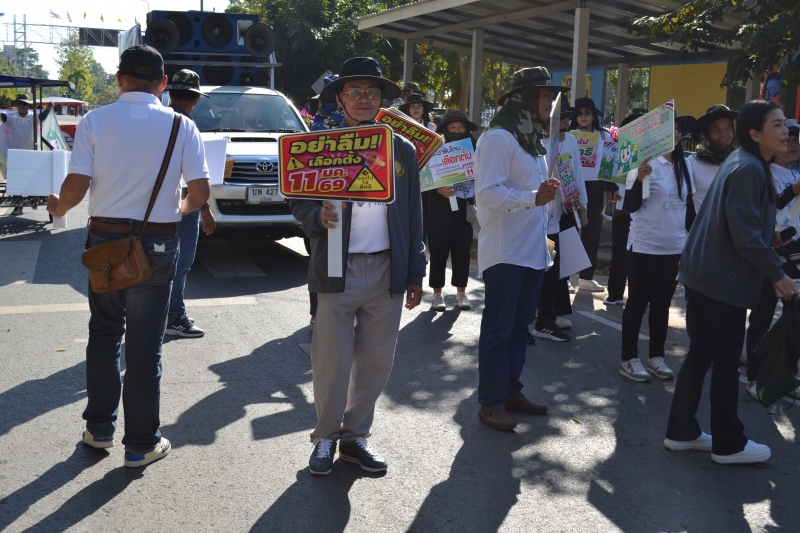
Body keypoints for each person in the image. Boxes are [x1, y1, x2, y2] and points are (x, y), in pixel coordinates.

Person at [45, 45, 210, 467]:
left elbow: (77, 185)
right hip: (158, 244)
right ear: (162, 84)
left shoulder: (95, 120)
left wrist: (58, 207)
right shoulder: (182, 126)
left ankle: (99, 429)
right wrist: (177, 210)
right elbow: (199, 193)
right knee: (144, 347)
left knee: (104, 335)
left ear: (119, 80)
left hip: (105, 241)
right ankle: (141, 444)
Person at [289, 57, 425, 475]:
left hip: (387, 269)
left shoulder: (401, 149)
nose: (364, 99)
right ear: (340, 98)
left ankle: (354, 436)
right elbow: (298, 198)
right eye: (354, 91)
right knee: (332, 361)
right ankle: (325, 437)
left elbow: (413, 215)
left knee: (376, 362)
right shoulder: (321, 145)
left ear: (381, 99)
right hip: (336, 264)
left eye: (372, 92)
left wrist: (415, 271)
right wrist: (316, 217)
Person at [665, 100, 798, 465]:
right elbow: (744, 237)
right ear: (755, 134)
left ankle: (681, 431)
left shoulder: (745, 161)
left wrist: (769, 236)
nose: (786, 132)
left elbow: (741, 224)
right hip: (721, 278)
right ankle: (728, 444)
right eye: (777, 125)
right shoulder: (749, 167)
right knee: (724, 361)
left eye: (785, 124)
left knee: (701, 354)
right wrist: (777, 273)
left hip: (705, 272)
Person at [474, 66, 563, 431]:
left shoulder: (531, 139)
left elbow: (537, 195)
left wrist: (544, 230)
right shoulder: (499, 137)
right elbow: (487, 193)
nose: (550, 104)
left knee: (519, 327)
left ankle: (510, 392)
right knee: (499, 328)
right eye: (545, 96)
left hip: (531, 250)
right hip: (505, 251)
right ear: (525, 99)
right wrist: (533, 198)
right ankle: (491, 401)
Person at [618, 112, 696, 382]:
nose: (676, 133)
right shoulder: (645, 163)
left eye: (678, 129)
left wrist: (693, 239)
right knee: (637, 303)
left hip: (674, 247)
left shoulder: (684, 165)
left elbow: (689, 209)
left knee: (662, 304)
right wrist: (640, 180)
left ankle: (656, 357)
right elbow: (631, 206)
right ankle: (628, 359)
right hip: (645, 246)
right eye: (669, 129)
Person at [743, 119, 800, 399]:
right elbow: (769, 206)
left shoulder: (795, 172)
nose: (792, 145)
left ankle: (788, 376)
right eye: (787, 140)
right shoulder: (762, 171)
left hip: (795, 255)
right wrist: (794, 190)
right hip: (770, 255)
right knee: (762, 318)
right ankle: (755, 378)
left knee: (795, 320)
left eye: (797, 141)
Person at [164, 70, 216, 338]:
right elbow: (193, 179)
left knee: (162, 263)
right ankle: (174, 318)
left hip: (158, 205)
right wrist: (204, 209)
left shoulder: (160, 122)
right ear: (196, 99)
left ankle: (165, 313)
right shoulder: (187, 126)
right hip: (183, 205)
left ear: (170, 93)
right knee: (180, 264)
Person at [530, 106, 587, 342]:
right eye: (559, 117)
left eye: (566, 117)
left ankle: (546, 320)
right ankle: (525, 322)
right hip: (534, 215)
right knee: (531, 271)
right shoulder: (534, 142)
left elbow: (576, 172)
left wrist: (578, 201)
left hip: (559, 213)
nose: (564, 121)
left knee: (553, 271)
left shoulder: (570, 140)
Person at [428, 110, 478, 311]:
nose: (457, 131)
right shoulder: (435, 149)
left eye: (461, 127)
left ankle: (461, 294)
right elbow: (422, 177)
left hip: (464, 205)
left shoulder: (476, 149)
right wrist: (437, 189)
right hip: (440, 207)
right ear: (446, 130)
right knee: (438, 250)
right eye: (453, 127)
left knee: (462, 251)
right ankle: (437, 295)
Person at [569, 97, 616, 293]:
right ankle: (564, 277)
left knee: (592, 232)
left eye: (587, 113)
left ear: (593, 116)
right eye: (579, 113)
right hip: (571, 187)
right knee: (569, 230)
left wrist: (612, 190)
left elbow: (610, 165)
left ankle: (586, 278)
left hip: (595, 187)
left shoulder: (604, 136)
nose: (583, 117)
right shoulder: (567, 135)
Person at [604, 109, 646, 306]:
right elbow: (606, 175)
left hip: (647, 209)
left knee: (643, 254)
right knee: (619, 250)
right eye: (633, 127)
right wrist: (613, 189)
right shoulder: (614, 149)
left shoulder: (654, 152)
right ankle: (615, 293)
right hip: (622, 207)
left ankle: (642, 295)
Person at [2, 94, 50, 215]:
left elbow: (43, 117)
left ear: (28, 105)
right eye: (19, 104)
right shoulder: (12, 117)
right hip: (16, 153)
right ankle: (18, 206)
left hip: (32, 153)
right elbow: (3, 118)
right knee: (16, 180)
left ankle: (34, 199)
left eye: (24, 104)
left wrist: (49, 108)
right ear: (16, 106)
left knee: (32, 178)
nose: (21, 106)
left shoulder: (34, 116)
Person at [689, 104, 739, 211]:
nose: (723, 133)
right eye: (716, 129)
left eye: (728, 128)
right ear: (707, 134)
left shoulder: (742, 162)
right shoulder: (692, 163)